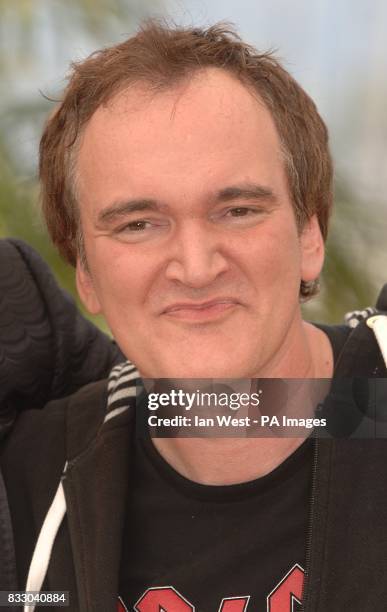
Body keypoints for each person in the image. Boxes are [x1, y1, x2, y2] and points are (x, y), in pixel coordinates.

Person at [1, 21, 387, 612]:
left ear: (310, 233)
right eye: (137, 224)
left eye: (237, 209)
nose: (196, 266)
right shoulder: (30, 486)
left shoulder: (374, 402)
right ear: (84, 273)